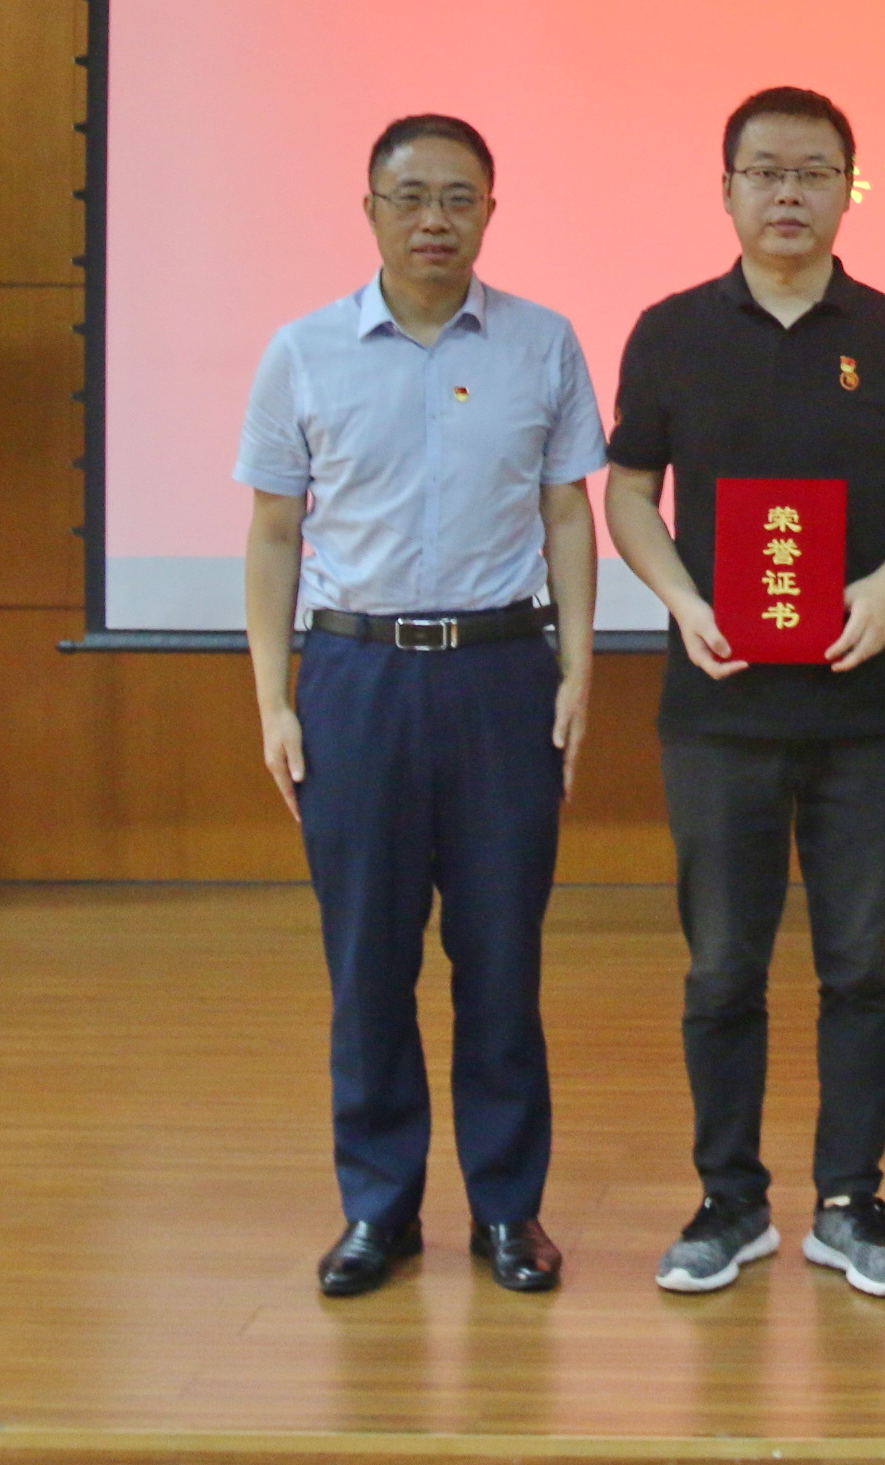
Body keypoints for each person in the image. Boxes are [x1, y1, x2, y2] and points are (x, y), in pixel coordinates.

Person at [605, 85, 885, 1301]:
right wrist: (680, 596)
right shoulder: (671, 330)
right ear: (726, 189)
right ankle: (730, 1200)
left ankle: (851, 1201)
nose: (789, 193)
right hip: (719, 707)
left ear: (850, 188)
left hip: (869, 708)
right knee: (723, 966)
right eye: (765, 171)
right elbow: (628, 489)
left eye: (813, 171)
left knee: (862, 964)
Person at [237, 113, 604, 1298]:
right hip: (357, 678)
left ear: (491, 209)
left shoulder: (543, 342)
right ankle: (378, 1206)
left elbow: (566, 515)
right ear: (371, 210)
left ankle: (508, 1208)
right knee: (369, 959)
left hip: (502, 675)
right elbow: (274, 533)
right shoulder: (303, 352)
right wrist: (274, 699)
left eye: (458, 196)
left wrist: (577, 667)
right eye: (410, 196)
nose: (434, 219)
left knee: (500, 956)